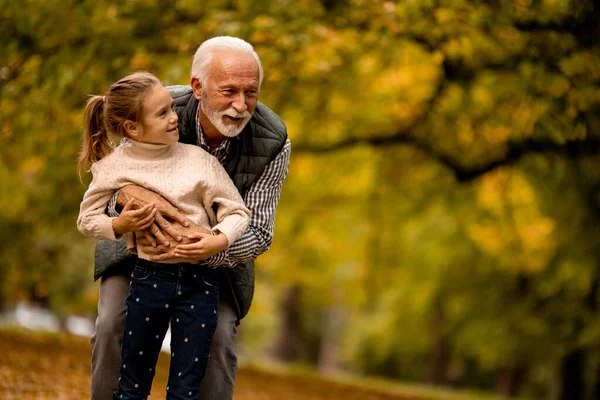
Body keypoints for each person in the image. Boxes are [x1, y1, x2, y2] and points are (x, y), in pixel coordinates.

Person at [91, 37, 291, 400]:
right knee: (110, 325)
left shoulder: (273, 140)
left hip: (221, 260)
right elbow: (108, 191)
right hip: (138, 253)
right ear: (197, 87)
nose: (241, 105)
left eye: (251, 92)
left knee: (217, 339)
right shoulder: (155, 104)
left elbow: (260, 230)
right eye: (229, 91)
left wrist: (211, 246)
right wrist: (128, 208)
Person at [77, 71, 251, 399]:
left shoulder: (200, 161)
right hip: (148, 280)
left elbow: (238, 213)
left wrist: (218, 239)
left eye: (172, 108)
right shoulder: (114, 168)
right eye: (163, 114)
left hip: (200, 284)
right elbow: (86, 220)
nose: (175, 118)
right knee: (132, 383)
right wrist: (119, 225)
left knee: (186, 387)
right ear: (132, 128)